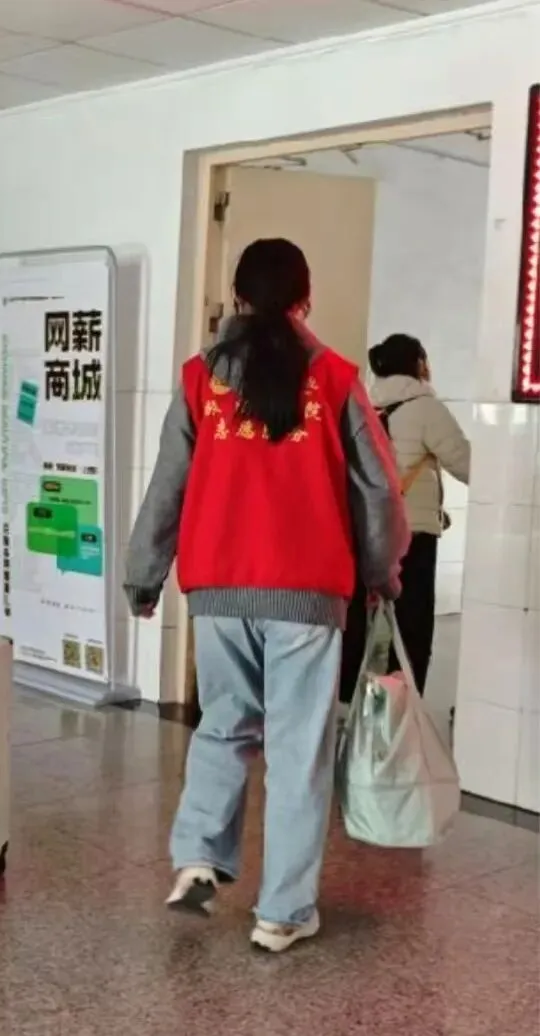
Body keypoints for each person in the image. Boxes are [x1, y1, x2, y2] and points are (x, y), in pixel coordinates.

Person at [124, 239, 409, 953]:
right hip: (306, 592)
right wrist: (383, 571)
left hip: (219, 587)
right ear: (305, 300)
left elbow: (167, 484)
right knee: (296, 750)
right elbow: (379, 491)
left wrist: (144, 573)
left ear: (238, 298)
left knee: (223, 725)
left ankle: (198, 857)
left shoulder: (200, 378)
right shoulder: (337, 379)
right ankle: (282, 911)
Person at [339, 333, 471, 702]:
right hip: (413, 533)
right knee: (412, 626)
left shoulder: (363, 405)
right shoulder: (426, 408)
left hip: (365, 530)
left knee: (360, 623)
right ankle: (403, 707)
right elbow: (466, 464)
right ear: (417, 363)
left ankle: (351, 705)